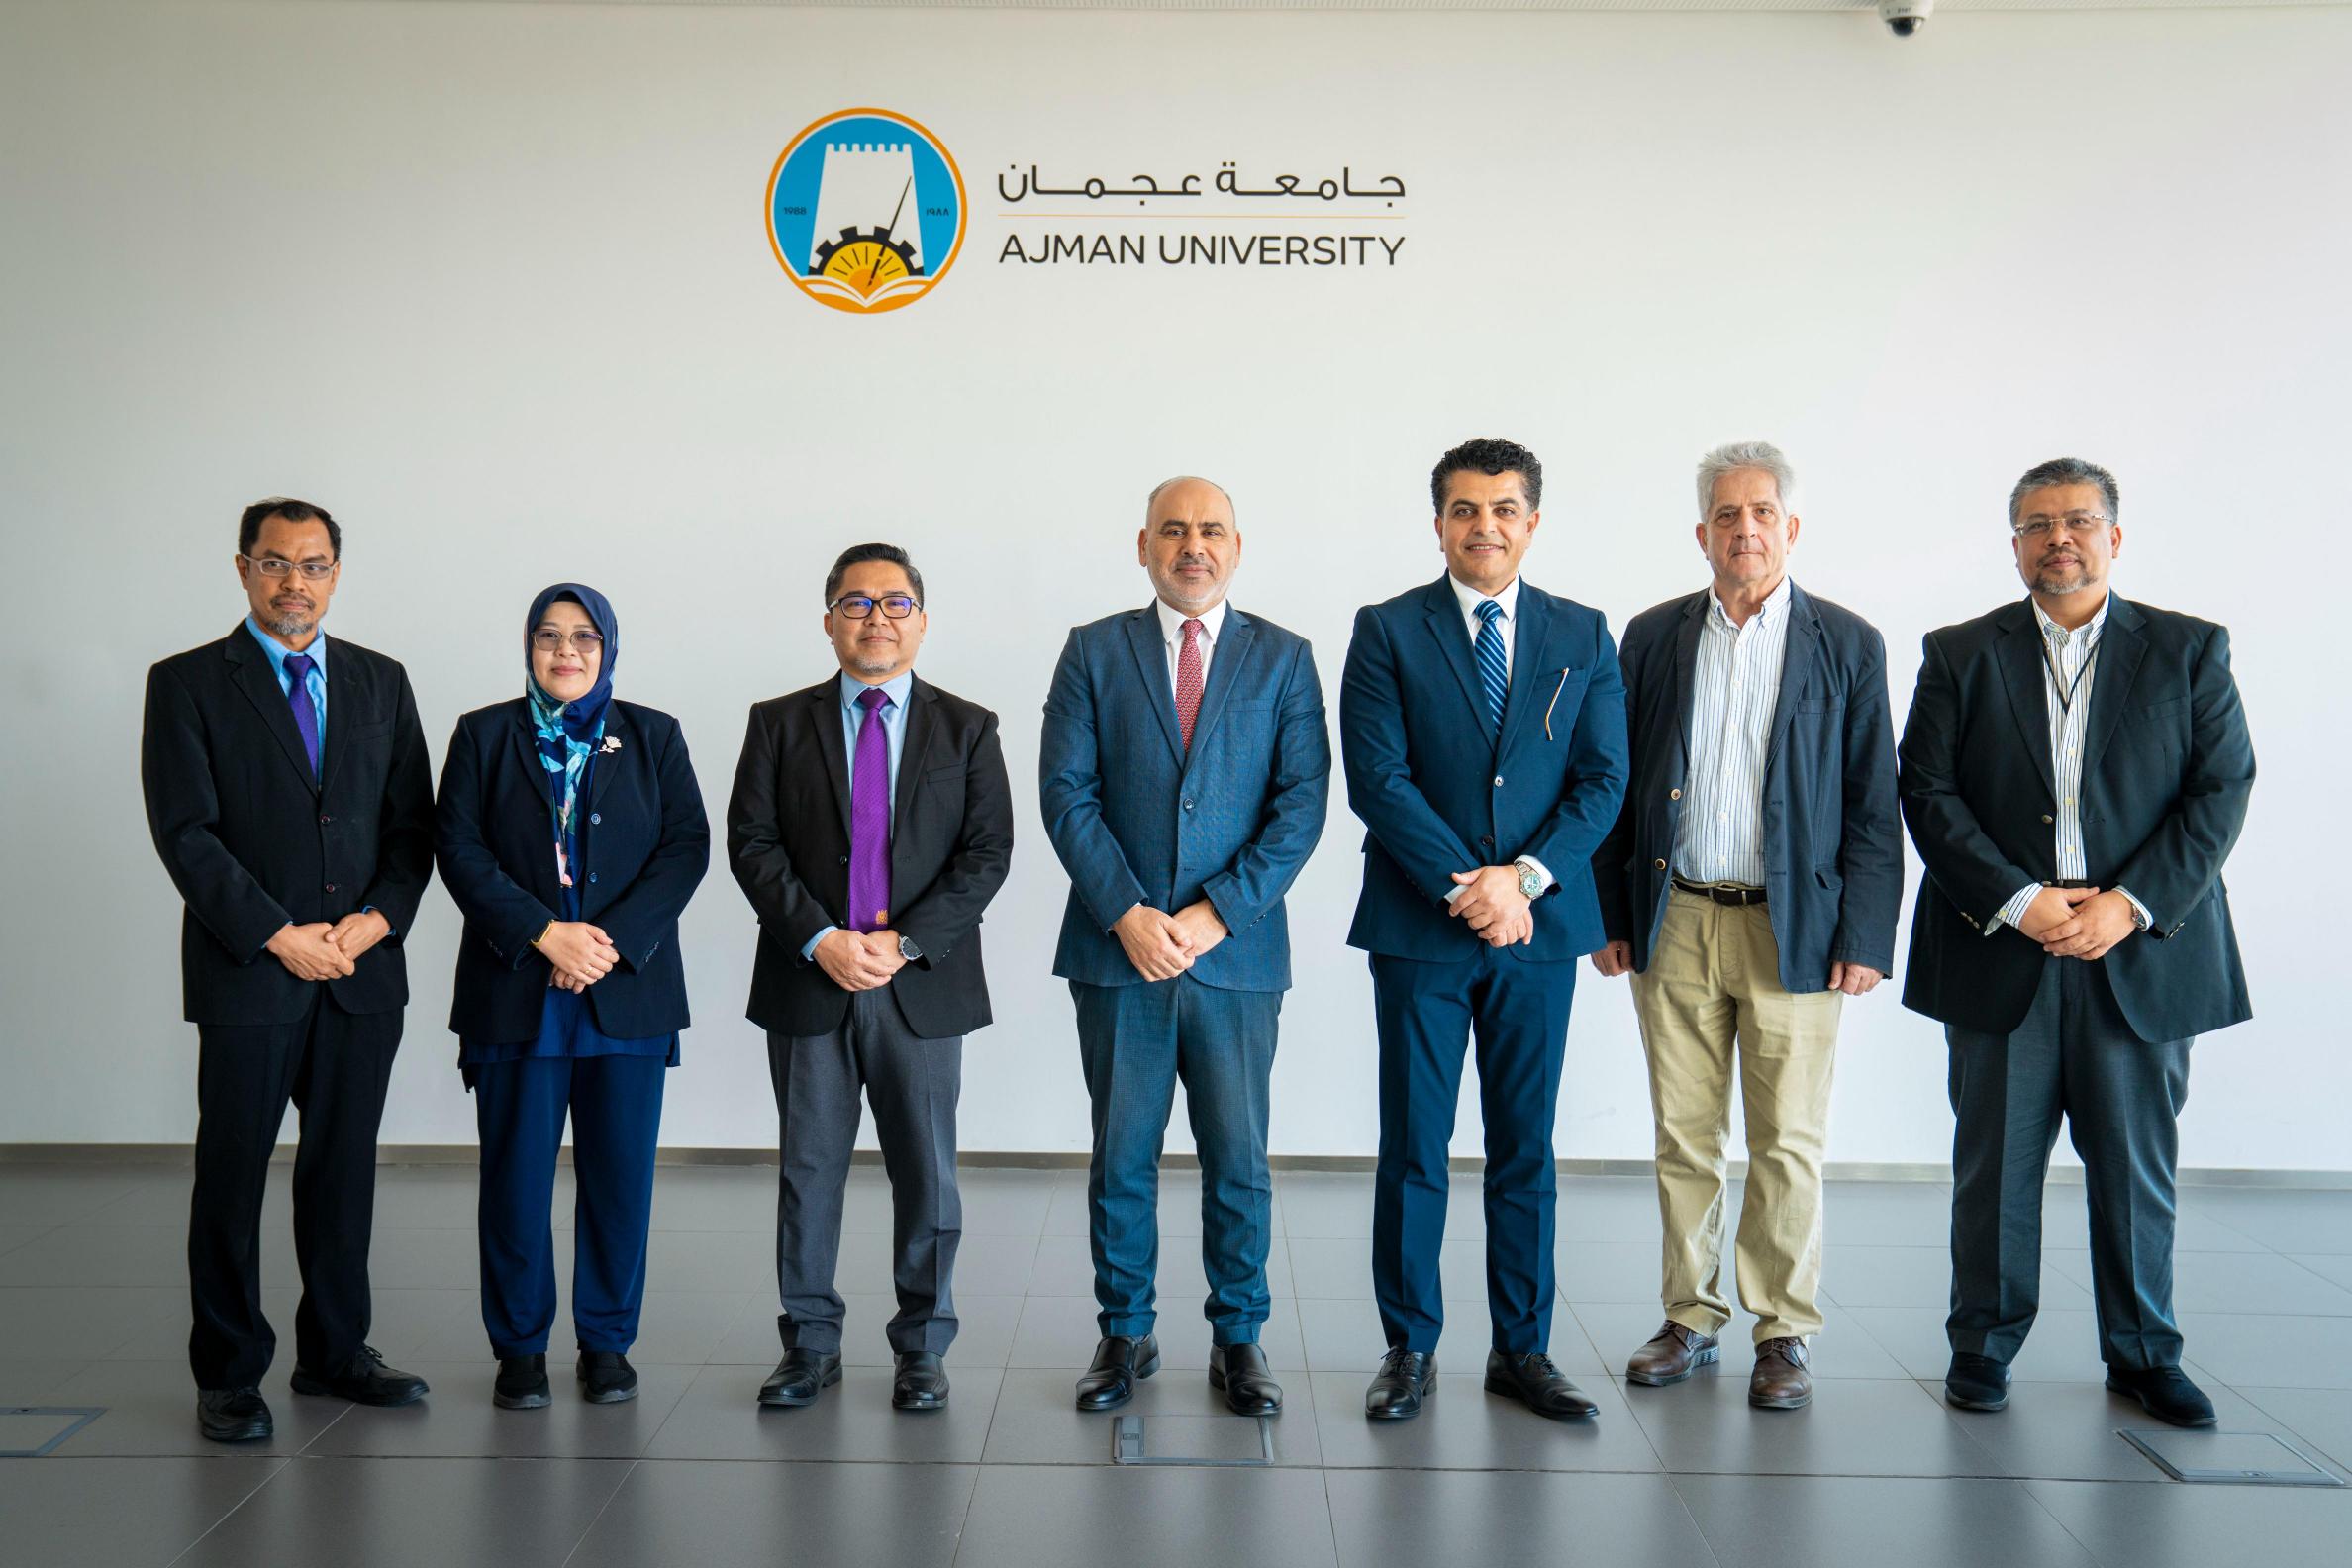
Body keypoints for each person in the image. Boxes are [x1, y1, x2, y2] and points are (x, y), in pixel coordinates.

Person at [1899, 457, 2254, 1428]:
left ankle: (2144, 1354)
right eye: (2038, 524)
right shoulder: (1960, 653)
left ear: (2115, 537)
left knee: (2135, 1170)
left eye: (2079, 521)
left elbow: (2221, 790)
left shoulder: (2188, 649)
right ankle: (1982, 1345)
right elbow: (1927, 790)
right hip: (2002, 946)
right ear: (2014, 543)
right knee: (1995, 1171)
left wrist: (2127, 904)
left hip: (2137, 953)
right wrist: (2020, 901)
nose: (2059, 538)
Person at [1590, 441, 1901, 1410]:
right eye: (1727, 514)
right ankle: (1689, 1316)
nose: (1745, 529)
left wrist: (1864, 935)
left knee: (1787, 1141)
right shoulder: (1653, 636)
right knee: (1684, 1135)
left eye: (1762, 512)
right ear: (1702, 534)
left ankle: (1783, 1331)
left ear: (1790, 528)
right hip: (1676, 914)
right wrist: (1610, 914)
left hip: (1796, 925)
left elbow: (1873, 800)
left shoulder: (1846, 642)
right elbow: (1613, 784)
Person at [1339, 437, 1628, 1422]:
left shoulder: (1583, 632)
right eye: (1465, 509)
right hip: (1421, 929)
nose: (1484, 526)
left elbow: (1603, 780)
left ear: (1532, 523)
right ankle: (1409, 1348)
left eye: (1504, 509)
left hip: (1537, 934)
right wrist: (1472, 888)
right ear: (1439, 525)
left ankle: (1522, 1350)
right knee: (1415, 1146)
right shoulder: (1387, 629)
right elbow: (1379, 779)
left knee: (1525, 1149)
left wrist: (1525, 882)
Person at [140, 497, 435, 1442]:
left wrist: (376, 921)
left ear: (335, 575)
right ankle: (229, 1373)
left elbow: (413, 827)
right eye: (274, 563)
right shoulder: (186, 683)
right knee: (231, 1176)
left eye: (312, 565)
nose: (293, 582)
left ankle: (336, 1351)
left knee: (342, 1172)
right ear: (243, 569)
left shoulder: (381, 681)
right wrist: (277, 933)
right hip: (249, 971)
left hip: (360, 973)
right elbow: (187, 834)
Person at [1039, 477, 1330, 1416]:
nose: (1192, 546)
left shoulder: (1285, 658)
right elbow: (1066, 794)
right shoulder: (1093, 651)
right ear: (1144, 546)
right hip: (1117, 952)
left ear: (1237, 548)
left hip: (1234, 957)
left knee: (1238, 1159)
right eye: (1173, 530)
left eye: (1210, 530)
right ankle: (1125, 1332)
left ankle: (1239, 1337)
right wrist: (1126, 911)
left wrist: (1218, 913)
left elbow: (1300, 806)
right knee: (1120, 1156)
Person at [727, 543, 1014, 1413]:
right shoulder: (778, 722)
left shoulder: (968, 727)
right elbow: (752, 843)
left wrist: (905, 943)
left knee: (926, 1173)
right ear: (829, 622)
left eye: (895, 603)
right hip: (810, 977)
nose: (876, 618)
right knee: (808, 1171)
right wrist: (820, 937)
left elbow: (987, 852)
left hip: (918, 985)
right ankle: (809, 1344)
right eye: (856, 603)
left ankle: (922, 1346)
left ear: (922, 621)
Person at [435, 584, 710, 1410]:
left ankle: (607, 1342)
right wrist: (543, 934)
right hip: (516, 988)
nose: (566, 651)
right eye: (549, 636)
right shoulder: (484, 735)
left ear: (608, 648)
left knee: (619, 1182)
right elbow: (458, 848)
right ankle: (519, 1349)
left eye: (584, 637)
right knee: (514, 1183)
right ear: (528, 646)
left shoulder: (655, 736)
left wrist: (604, 942)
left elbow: (686, 847)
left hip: (624, 993)